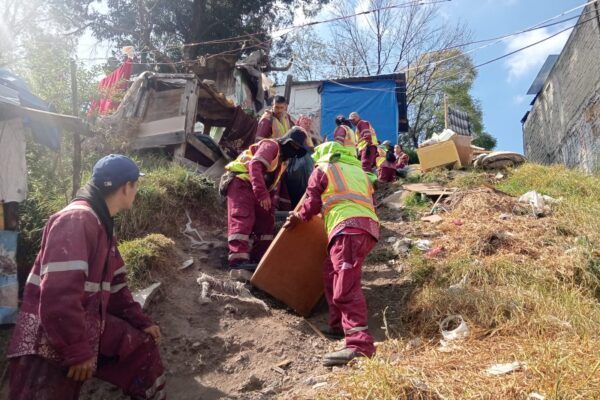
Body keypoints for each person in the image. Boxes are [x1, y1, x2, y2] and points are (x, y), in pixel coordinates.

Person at [7, 155, 165, 400]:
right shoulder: (77, 220)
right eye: (136, 185)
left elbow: (116, 287)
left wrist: (140, 321)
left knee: (141, 347)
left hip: (79, 328)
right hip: (46, 341)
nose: (136, 191)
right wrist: (77, 350)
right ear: (127, 187)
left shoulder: (101, 224)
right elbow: (58, 295)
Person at [284, 141, 379, 366]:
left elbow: (311, 203)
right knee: (331, 271)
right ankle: (338, 325)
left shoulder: (323, 169)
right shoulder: (360, 173)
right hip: (367, 228)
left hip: (347, 228)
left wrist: (298, 217)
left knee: (345, 288)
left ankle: (359, 345)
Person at [224, 127, 308, 279]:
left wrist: (281, 208)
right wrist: (262, 194)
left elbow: (277, 186)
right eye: (292, 145)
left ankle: (259, 260)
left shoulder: (282, 161)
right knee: (242, 219)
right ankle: (238, 263)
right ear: (285, 141)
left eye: (297, 148)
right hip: (240, 182)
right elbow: (255, 165)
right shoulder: (271, 146)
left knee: (266, 221)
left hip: (254, 186)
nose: (294, 150)